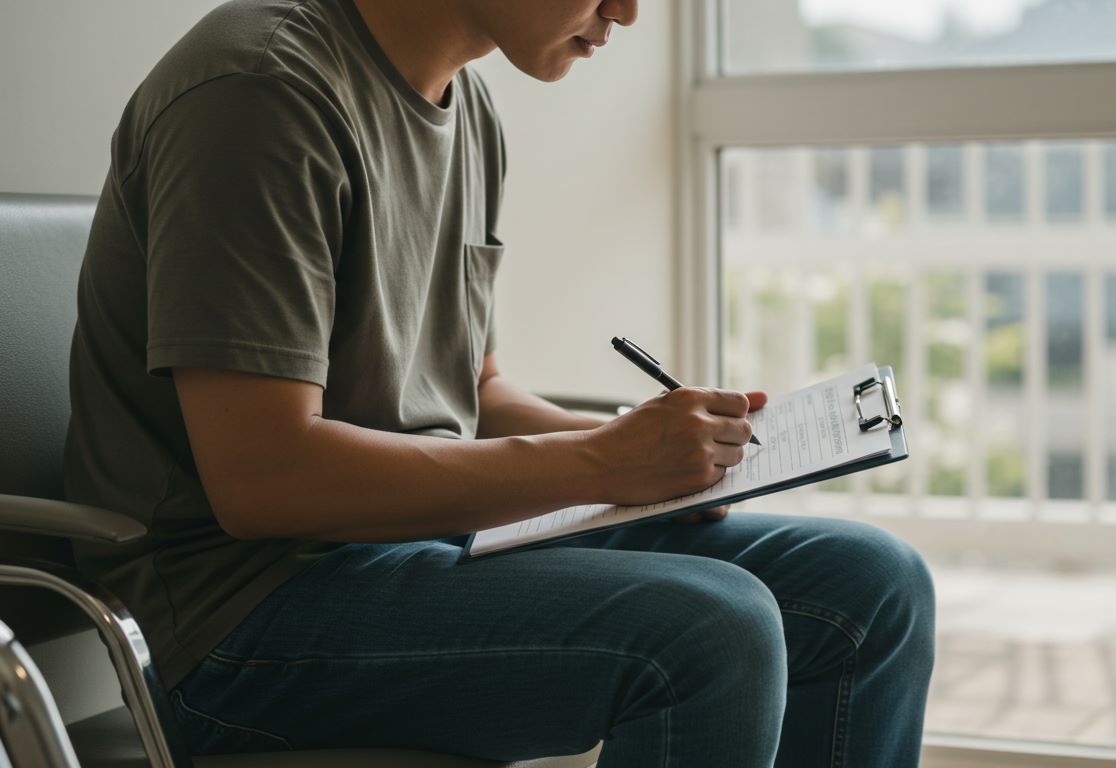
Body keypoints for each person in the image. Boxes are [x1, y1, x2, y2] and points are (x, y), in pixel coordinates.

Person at [64, 0, 936, 764]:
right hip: (235, 620)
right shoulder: (258, 91)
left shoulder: (468, 106)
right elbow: (265, 480)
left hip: (416, 549)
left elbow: (473, 395)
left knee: (872, 583)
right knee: (715, 630)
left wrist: (660, 465)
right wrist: (604, 464)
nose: (626, 13)